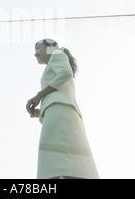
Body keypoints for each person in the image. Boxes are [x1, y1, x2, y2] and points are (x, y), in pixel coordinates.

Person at [26, 39, 99, 179]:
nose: (35, 54)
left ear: (51, 47)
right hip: (60, 111)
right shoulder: (55, 59)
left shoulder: (57, 53)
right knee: (68, 162)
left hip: (60, 111)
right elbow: (60, 91)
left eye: (38, 48)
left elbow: (66, 73)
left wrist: (39, 96)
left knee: (54, 161)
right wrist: (41, 111)